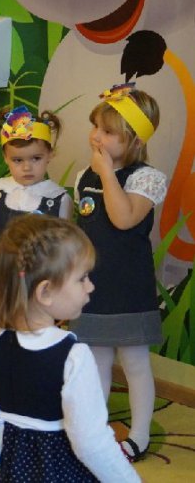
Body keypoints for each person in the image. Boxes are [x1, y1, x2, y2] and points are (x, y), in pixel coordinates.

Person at [0, 214, 140, 482]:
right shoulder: (72, 355)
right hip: (56, 468)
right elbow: (91, 443)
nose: (90, 286)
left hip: (1, 464)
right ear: (45, 292)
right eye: (82, 278)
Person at [71, 83, 167, 462]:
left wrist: (108, 175)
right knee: (95, 360)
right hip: (91, 287)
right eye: (96, 126)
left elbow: (124, 218)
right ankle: (96, 429)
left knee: (135, 363)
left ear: (134, 140)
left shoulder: (147, 178)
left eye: (108, 131)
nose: (97, 136)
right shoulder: (85, 176)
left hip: (128, 288)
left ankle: (138, 436)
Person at [0, 106, 69, 296]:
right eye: (18, 160)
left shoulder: (58, 199)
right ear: (5, 157)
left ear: (50, 154)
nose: (27, 167)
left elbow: (62, 250)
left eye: (36, 158)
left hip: (39, 284)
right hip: (2, 278)